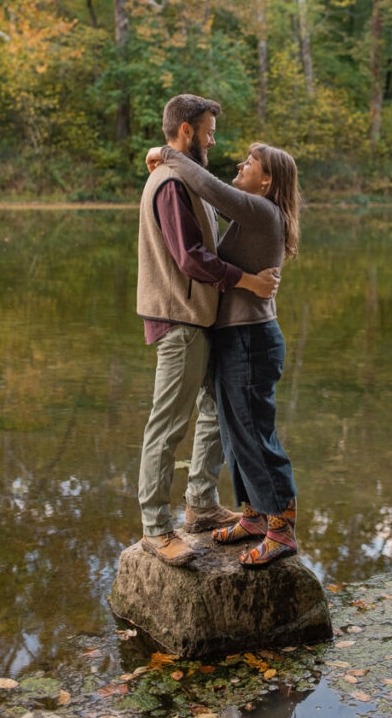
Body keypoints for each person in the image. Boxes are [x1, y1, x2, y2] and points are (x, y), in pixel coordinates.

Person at [137, 94, 280, 567]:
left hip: (200, 319)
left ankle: (200, 503)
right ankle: (156, 529)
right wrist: (248, 281)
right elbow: (190, 258)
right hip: (180, 319)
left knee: (211, 410)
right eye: (208, 131)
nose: (214, 141)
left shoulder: (185, 178)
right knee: (168, 423)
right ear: (185, 132)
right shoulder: (171, 185)